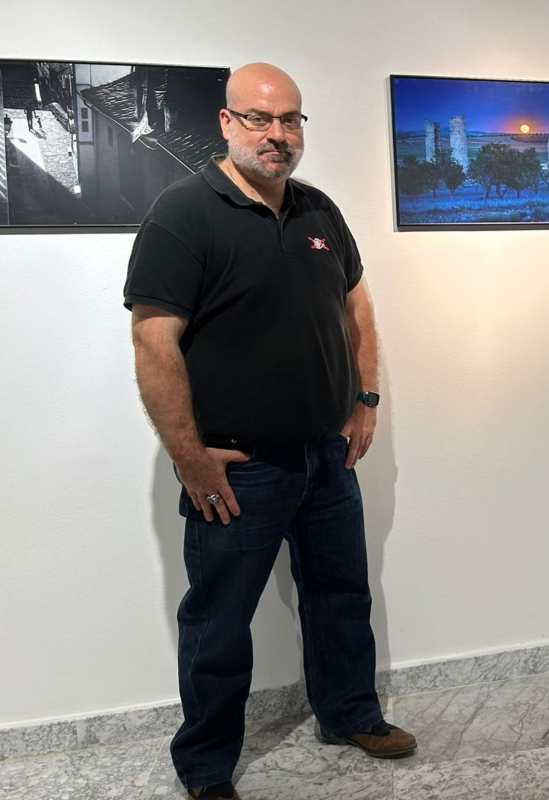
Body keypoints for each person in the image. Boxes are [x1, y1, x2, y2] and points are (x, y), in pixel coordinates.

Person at [124, 63, 415, 800]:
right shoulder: (183, 215)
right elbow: (155, 346)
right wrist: (191, 459)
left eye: (290, 120)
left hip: (325, 455)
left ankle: (350, 713)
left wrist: (367, 400)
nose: (277, 135)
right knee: (219, 623)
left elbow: (360, 314)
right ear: (226, 124)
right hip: (238, 471)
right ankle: (207, 765)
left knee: (342, 596)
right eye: (259, 119)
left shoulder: (320, 212)